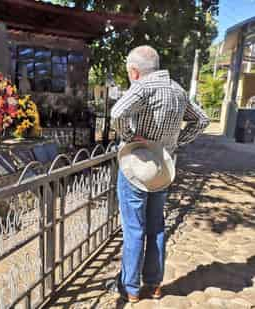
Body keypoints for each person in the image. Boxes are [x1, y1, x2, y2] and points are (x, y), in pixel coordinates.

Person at [107, 45, 210, 303]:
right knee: (156, 226)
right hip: (163, 168)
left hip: (136, 166)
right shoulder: (178, 90)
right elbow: (202, 120)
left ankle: (130, 287)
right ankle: (153, 284)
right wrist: (177, 142)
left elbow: (117, 113)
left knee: (134, 229)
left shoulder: (142, 87)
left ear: (134, 70)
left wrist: (130, 138)